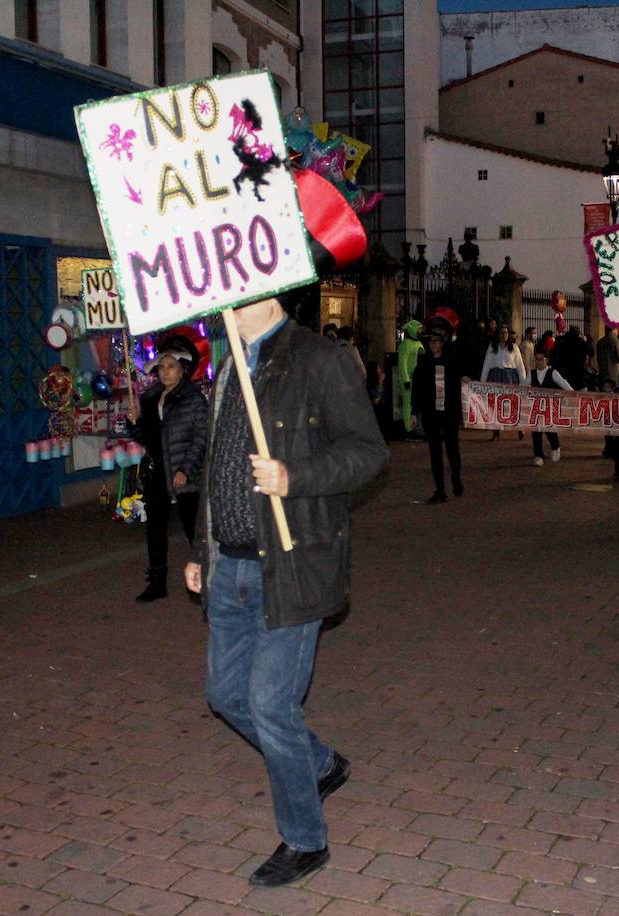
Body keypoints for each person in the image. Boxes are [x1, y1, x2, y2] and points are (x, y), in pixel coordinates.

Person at [183, 296, 388, 888]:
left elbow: (368, 454)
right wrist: (203, 550)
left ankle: (306, 839)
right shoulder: (230, 364)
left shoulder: (318, 359)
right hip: (231, 566)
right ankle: (319, 763)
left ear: (267, 291)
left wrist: (294, 477)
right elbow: (218, 468)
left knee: (271, 704)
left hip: (291, 565)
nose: (219, 297)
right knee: (226, 694)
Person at [127, 345, 207, 602]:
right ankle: (157, 581)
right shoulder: (150, 398)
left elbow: (201, 437)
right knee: (156, 528)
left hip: (184, 471)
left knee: (193, 528)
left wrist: (186, 468)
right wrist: (134, 423)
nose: (165, 371)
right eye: (162, 366)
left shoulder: (193, 399)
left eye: (171, 366)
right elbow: (148, 438)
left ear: (182, 370)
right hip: (157, 470)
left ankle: (203, 579)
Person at [411, 321, 465, 503]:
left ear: (443, 343)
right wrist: (413, 412)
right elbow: (416, 388)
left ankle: (456, 479)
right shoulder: (423, 361)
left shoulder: (452, 360)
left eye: (437, 341)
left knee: (452, 450)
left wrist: (465, 377)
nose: (434, 345)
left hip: (449, 414)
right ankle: (440, 490)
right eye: (431, 342)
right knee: (435, 453)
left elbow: (462, 375)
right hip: (430, 414)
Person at [480, 325, 527, 441]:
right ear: (498, 334)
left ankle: (519, 428)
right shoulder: (492, 347)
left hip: (510, 378)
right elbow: (486, 365)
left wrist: (524, 383)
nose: (504, 335)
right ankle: (496, 432)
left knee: (512, 404)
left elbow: (520, 366)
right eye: (502, 332)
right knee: (495, 406)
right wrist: (482, 383)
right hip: (495, 377)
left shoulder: (514, 347)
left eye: (506, 332)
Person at [528, 346, 572, 466]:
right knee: (536, 432)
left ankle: (556, 447)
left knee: (549, 430)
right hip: (536, 408)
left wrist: (574, 394)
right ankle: (538, 455)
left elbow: (564, 384)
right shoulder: (531, 373)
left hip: (549, 407)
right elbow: (523, 386)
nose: (538, 362)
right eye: (536, 359)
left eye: (541, 359)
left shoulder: (553, 373)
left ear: (547, 360)